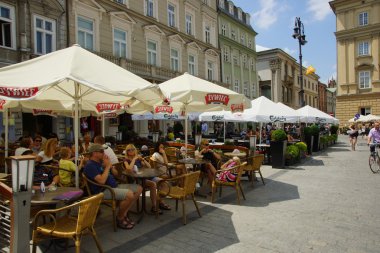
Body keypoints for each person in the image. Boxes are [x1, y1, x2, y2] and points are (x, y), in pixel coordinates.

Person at [83, 144, 142, 229]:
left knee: (139, 188)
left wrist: (110, 166)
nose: (104, 153)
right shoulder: (90, 166)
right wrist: (107, 166)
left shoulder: (100, 162)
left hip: (113, 186)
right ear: (94, 153)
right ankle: (120, 218)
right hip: (102, 191)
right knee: (129, 195)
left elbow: (116, 174)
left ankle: (124, 213)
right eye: (101, 151)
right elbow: (102, 181)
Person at [124, 144, 170, 213]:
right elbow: (129, 169)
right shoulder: (126, 160)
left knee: (163, 182)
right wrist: (134, 159)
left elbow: (149, 166)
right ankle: (154, 206)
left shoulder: (138, 159)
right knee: (153, 184)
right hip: (137, 179)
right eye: (128, 150)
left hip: (147, 176)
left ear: (135, 150)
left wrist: (143, 160)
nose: (131, 151)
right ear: (126, 151)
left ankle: (160, 201)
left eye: (132, 149)